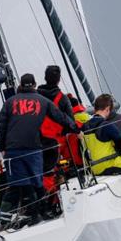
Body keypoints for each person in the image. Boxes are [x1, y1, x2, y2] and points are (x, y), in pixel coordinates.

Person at [0, 73, 76, 227]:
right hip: (33, 149)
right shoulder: (43, 101)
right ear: (34, 85)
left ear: (21, 85)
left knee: (18, 184)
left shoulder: (9, 102)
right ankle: (42, 212)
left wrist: (2, 148)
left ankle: (13, 219)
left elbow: (0, 128)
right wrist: (76, 128)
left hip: (13, 150)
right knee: (37, 181)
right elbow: (61, 117)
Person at [37, 65, 74, 194]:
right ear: (59, 80)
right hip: (55, 141)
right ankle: (53, 199)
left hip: (35, 141)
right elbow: (70, 122)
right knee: (56, 169)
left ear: (45, 78)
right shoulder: (63, 99)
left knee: (39, 172)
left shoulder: (35, 96)